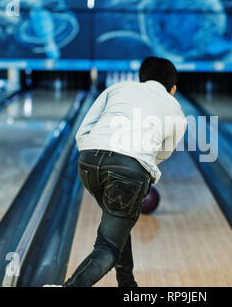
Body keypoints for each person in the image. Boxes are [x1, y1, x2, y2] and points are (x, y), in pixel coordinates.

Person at [63, 57, 187, 287]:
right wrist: (139, 168)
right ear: (173, 89)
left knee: (117, 224)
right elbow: (163, 154)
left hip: (89, 162)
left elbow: (85, 128)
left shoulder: (118, 87)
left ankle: (127, 283)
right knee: (107, 247)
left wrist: (91, 153)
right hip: (129, 170)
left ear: (141, 78)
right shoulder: (176, 111)